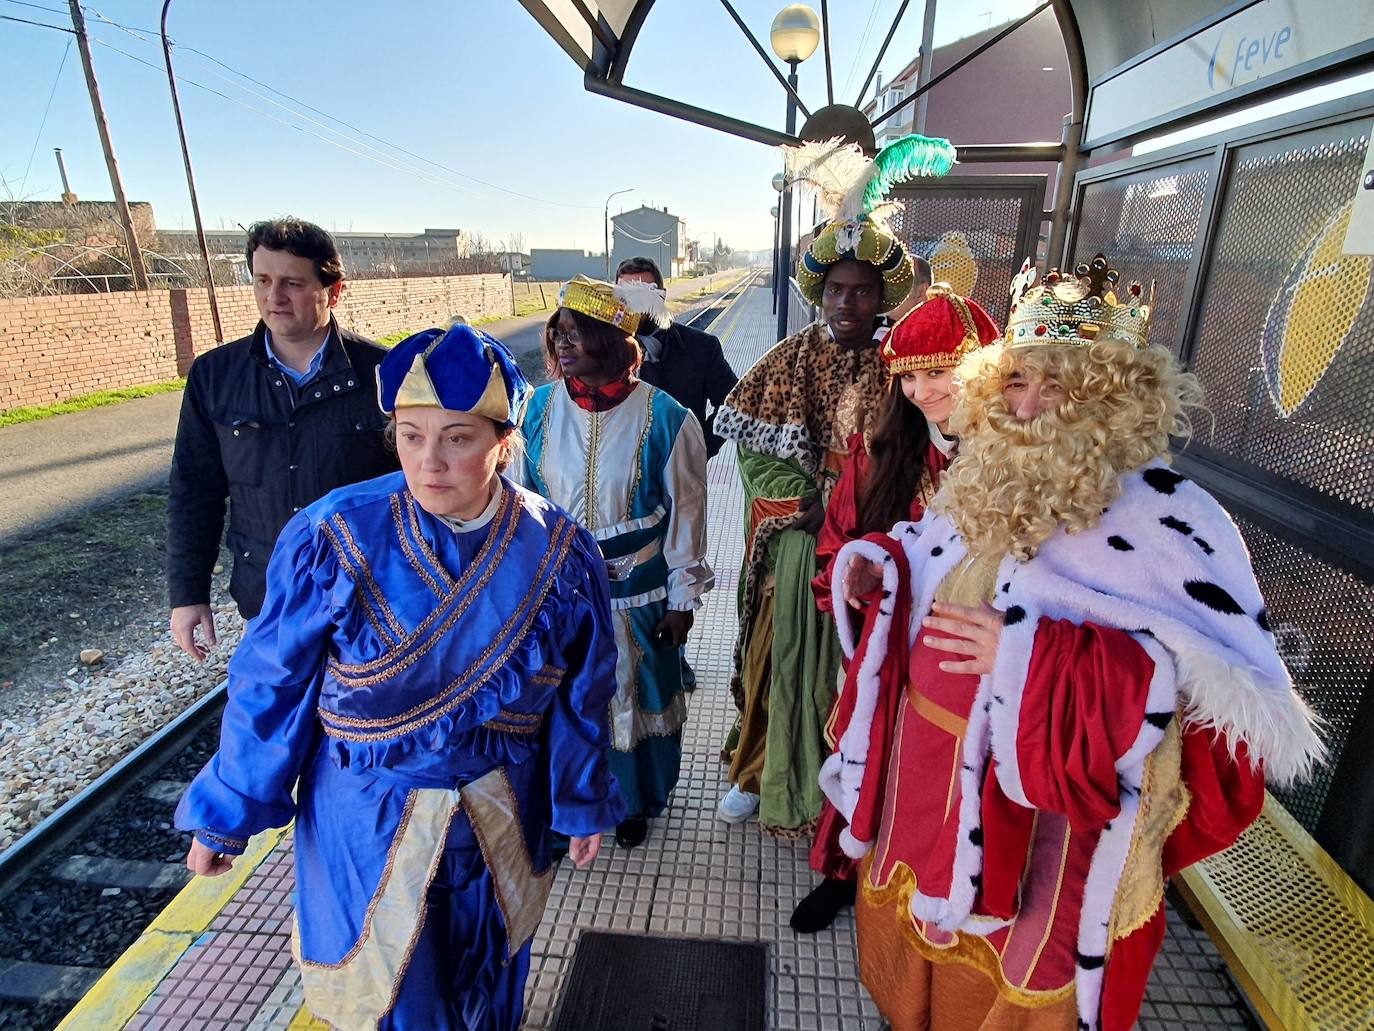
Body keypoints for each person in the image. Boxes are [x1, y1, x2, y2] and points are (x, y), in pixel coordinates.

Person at [824, 255, 1324, 1031]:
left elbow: (1206, 710)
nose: (1027, 406)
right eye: (1016, 382)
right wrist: (883, 575)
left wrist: (1025, 658)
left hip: (1047, 832)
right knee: (919, 963)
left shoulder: (1168, 518)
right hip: (932, 782)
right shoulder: (983, 471)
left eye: (1055, 386)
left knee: (1015, 983)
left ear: (1116, 397)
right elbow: (931, 564)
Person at [175, 324, 624, 1031]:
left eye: (457, 437)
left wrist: (581, 798)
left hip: (500, 809)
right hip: (367, 815)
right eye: (411, 435)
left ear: (503, 442)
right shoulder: (334, 535)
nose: (429, 461)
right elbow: (272, 686)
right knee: (396, 995)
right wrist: (227, 812)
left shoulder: (560, 551)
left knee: (489, 975)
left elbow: (583, 690)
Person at [712, 132, 957, 834]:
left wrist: (879, 511)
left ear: (881, 294)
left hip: (880, 540)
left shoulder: (901, 364)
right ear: (822, 292)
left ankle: (845, 797)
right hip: (797, 542)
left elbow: (928, 450)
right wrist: (809, 503)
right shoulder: (788, 358)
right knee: (780, 658)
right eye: (839, 290)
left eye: (863, 290)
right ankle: (761, 772)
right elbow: (752, 455)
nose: (849, 302)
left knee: (862, 672)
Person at [790, 283, 1000, 934]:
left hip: (975, 662)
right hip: (892, 647)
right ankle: (842, 871)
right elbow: (840, 536)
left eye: (938, 373)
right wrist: (852, 578)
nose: (921, 392)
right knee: (869, 753)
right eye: (909, 377)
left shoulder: (1022, 455)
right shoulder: (883, 448)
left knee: (954, 784)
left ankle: (943, 895)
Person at [519, 275, 714, 849]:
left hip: (640, 593)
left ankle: (630, 802)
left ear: (617, 340)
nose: (562, 343)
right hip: (559, 594)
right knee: (567, 691)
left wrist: (682, 600)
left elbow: (687, 517)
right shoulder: (537, 408)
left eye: (578, 333)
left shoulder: (669, 419)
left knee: (634, 691)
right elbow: (522, 500)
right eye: (559, 332)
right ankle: (571, 796)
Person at [167, 218, 396, 660]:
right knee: (278, 723)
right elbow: (195, 488)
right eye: (262, 280)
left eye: (292, 282)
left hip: (369, 604)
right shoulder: (215, 376)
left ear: (334, 290)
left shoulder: (385, 375)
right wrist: (188, 593)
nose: (273, 297)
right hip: (267, 600)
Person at [615, 256, 739, 459]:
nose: (632, 304)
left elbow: (734, 404)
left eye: (641, 293)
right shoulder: (606, 349)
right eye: (624, 295)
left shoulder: (701, 347)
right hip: (620, 473)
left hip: (682, 476)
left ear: (661, 296)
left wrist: (700, 448)